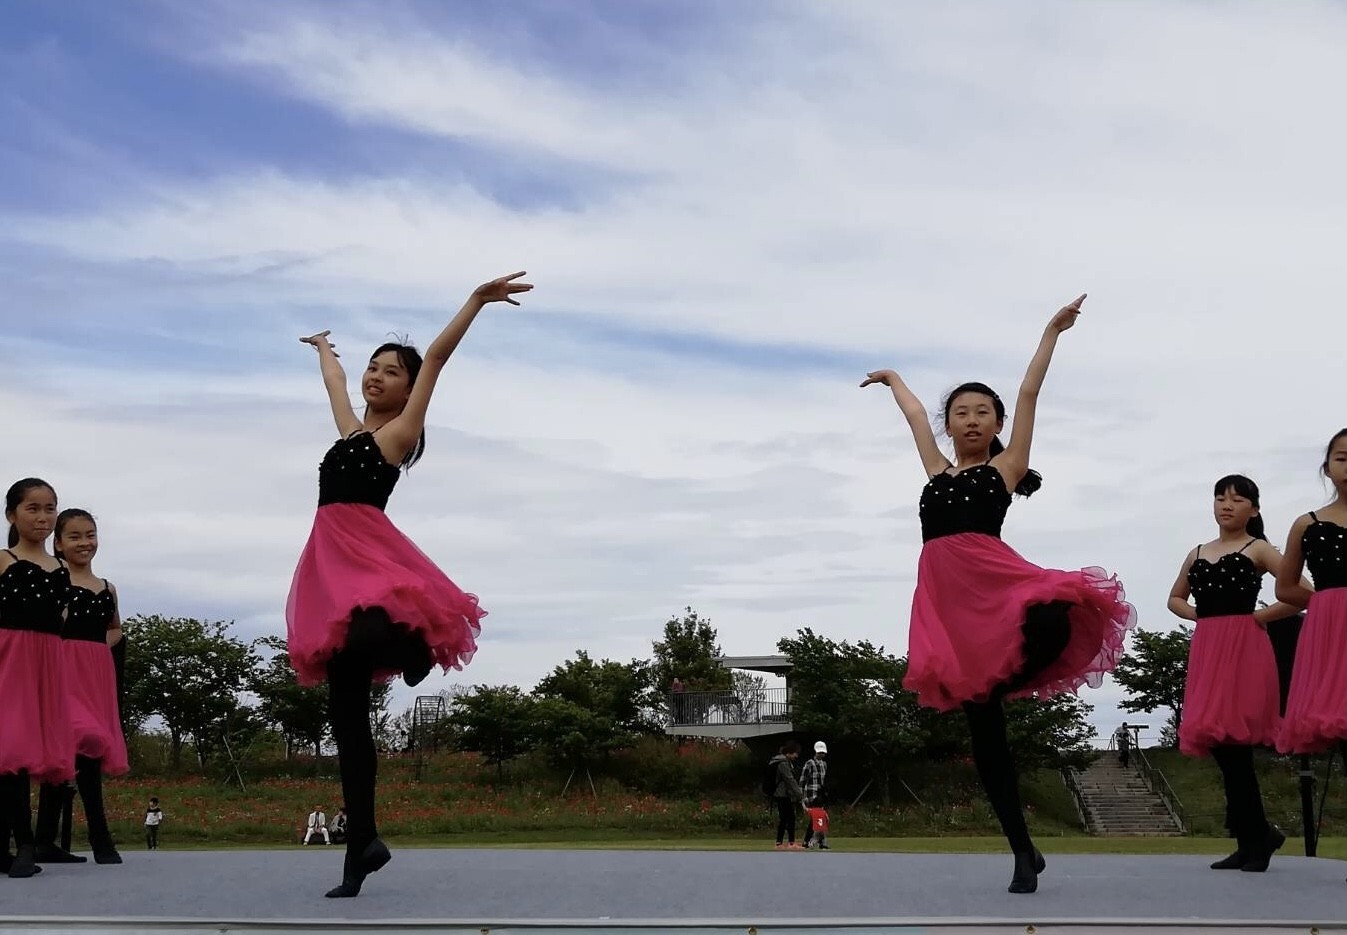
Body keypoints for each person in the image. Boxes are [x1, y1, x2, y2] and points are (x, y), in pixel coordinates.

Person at [862, 294, 1136, 894]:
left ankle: (1009, 678)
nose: (971, 420)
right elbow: (915, 416)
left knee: (1057, 614)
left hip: (995, 584)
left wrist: (1051, 332)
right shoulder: (936, 471)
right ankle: (1023, 852)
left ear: (996, 424)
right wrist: (893, 379)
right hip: (949, 608)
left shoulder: (1005, 468)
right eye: (961, 412)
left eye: (983, 412)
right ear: (951, 424)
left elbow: (1030, 392)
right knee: (986, 741)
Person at [287, 271, 530, 898]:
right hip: (328, 563)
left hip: (368, 555)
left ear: (406, 388)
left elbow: (439, 359)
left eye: (391, 371)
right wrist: (325, 351)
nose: (376, 376)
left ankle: (415, 648)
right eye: (374, 367)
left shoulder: (398, 434)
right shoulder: (350, 433)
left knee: (371, 630)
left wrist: (475, 301)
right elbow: (336, 385)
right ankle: (361, 847)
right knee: (347, 721)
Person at [1166, 475, 1300, 872]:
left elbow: (1300, 592)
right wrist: (1200, 616)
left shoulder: (1258, 548)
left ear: (1253, 510)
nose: (1227, 505)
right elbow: (1174, 598)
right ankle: (1253, 837)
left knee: (1234, 745)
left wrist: (1260, 617)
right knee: (1221, 745)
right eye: (1220, 498)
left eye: (1238, 499)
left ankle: (1256, 837)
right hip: (1208, 648)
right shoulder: (1197, 552)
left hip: (1244, 647)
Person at [33, 508, 128, 866]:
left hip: (95, 676)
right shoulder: (53, 581)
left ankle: (45, 840)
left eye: (90, 534)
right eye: (74, 536)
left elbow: (115, 628)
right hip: (62, 671)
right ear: (58, 543)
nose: (84, 542)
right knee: (75, 742)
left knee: (86, 749)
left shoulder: (107, 588)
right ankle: (99, 839)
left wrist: (98, 648)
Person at [0, 478, 75, 879]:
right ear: (11, 515)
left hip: (47, 662)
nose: (43, 517)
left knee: (30, 751)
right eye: (33, 508)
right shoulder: (3, 559)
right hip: (9, 658)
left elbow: (61, 618)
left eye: (49, 508)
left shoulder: (61, 568)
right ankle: (24, 844)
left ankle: (17, 846)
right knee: (9, 749)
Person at [1276, 429, 1347, 758]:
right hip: (1331, 636)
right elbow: (1285, 587)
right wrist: (1328, 606)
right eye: (1342, 458)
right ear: (1327, 468)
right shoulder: (1307, 524)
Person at [768, 741, 804, 849]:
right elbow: (790, 780)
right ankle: (790, 843)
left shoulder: (781, 761)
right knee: (790, 817)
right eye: (795, 753)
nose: (796, 756)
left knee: (784, 818)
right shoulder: (783, 763)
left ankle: (779, 843)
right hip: (783, 795)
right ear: (789, 752)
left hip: (782, 794)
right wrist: (799, 794)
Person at [801, 741, 829, 850]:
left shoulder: (824, 764)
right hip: (811, 795)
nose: (821, 754)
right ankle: (807, 841)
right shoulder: (810, 763)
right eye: (820, 752)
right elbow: (803, 780)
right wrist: (802, 797)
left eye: (823, 753)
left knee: (820, 818)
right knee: (814, 818)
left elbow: (823, 780)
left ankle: (821, 842)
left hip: (820, 796)